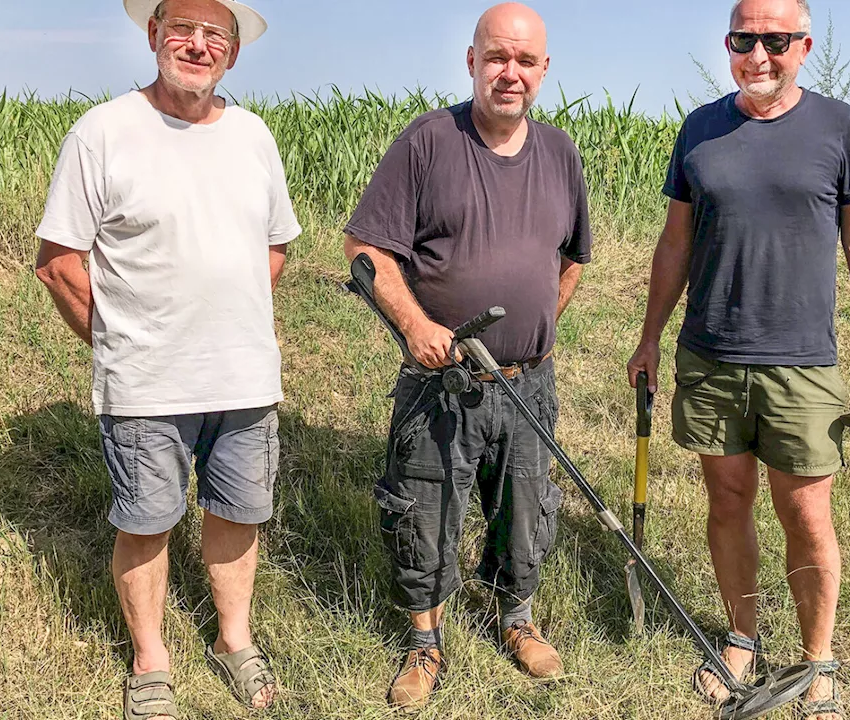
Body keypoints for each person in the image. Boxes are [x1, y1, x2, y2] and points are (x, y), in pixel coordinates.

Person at [626, 1, 850, 718]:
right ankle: (742, 639)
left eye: (775, 40)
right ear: (728, 44)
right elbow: (675, 243)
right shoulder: (700, 128)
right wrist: (650, 336)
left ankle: (819, 661)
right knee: (727, 502)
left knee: (806, 513)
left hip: (802, 362)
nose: (758, 54)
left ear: (804, 45)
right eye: (743, 39)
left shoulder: (837, 125)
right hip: (712, 354)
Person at [33, 1, 299, 717]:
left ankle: (233, 640)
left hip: (243, 374)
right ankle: (151, 660)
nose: (196, 43)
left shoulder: (253, 136)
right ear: (153, 35)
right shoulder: (104, 132)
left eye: (216, 34)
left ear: (233, 55)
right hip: (145, 382)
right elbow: (59, 262)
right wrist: (126, 340)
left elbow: (273, 247)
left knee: (237, 511)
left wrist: (220, 320)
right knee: (146, 520)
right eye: (181, 27)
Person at [342, 2, 592, 711]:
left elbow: (571, 261)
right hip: (440, 382)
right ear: (473, 61)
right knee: (424, 505)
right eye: (497, 57)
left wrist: (532, 337)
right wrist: (419, 326)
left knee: (526, 507)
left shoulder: (561, 153)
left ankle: (516, 619)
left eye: (525, 61)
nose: (509, 73)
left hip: (527, 385)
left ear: (543, 71)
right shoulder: (427, 142)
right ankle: (425, 640)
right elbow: (365, 248)